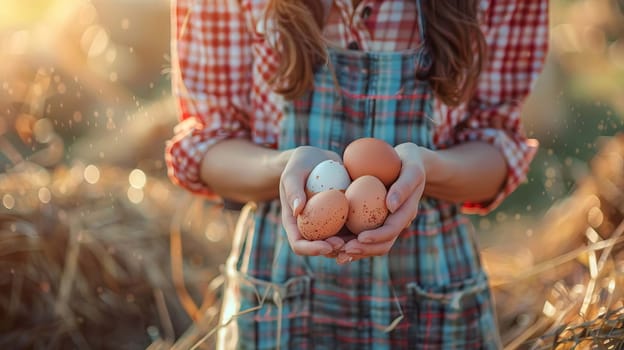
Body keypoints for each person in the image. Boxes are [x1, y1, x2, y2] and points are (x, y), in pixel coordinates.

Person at [165, 0, 548, 348]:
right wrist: (282, 168)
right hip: (280, 295)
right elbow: (210, 145)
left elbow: (495, 146)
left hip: (431, 292)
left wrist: (426, 169)